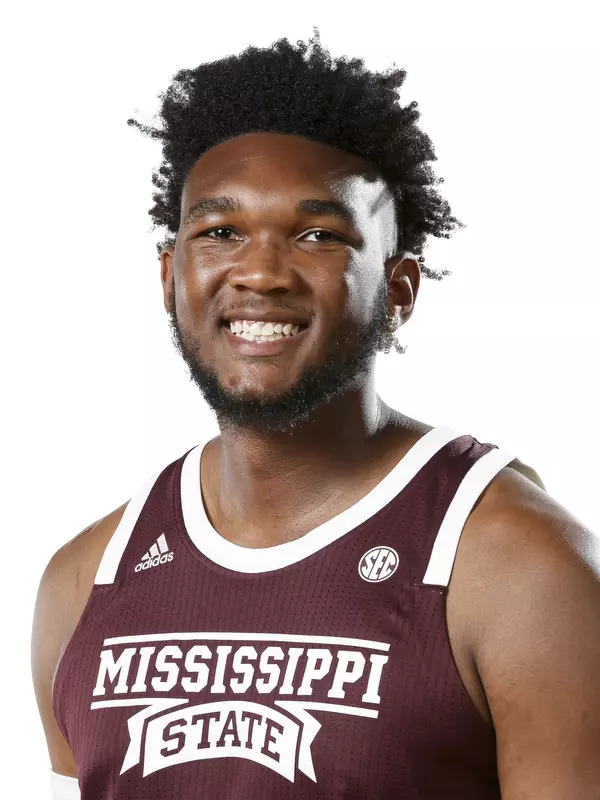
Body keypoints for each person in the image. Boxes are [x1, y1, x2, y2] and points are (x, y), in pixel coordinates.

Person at [31, 29, 600, 800]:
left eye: (317, 235)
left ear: (399, 290)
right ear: (171, 276)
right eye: (220, 232)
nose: (260, 273)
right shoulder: (84, 581)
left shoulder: (521, 569)